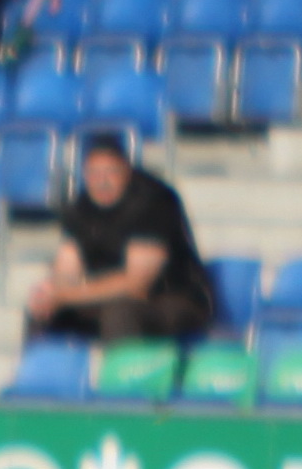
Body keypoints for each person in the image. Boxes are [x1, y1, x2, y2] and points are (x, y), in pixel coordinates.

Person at [26, 134, 216, 342]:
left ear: (127, 171)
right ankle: (41, 362)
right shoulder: (81, 207)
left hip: (172, 297)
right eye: (94, 174)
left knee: (120, 313)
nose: (102, 182)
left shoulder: (153, 201)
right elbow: (67, 267)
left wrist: (67, 295)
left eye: (111, 172)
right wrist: (51, 294)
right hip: (108, 297)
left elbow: (137, 284)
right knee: (44, 309)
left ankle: (124, 365)